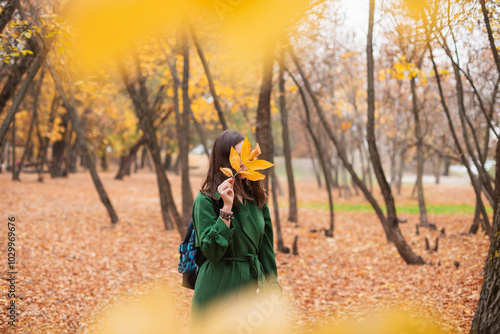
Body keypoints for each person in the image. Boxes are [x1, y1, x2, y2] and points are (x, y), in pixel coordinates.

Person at [190, 130, 282, 322]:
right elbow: (211, 252)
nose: (244, 162)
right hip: (218, 288)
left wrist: (272, 288)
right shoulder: (206, 200)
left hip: (252, 291)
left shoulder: (256, 198)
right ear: (224, 160)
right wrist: (226, 208)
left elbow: (265, 249)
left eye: (247, 156)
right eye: (238, 156)